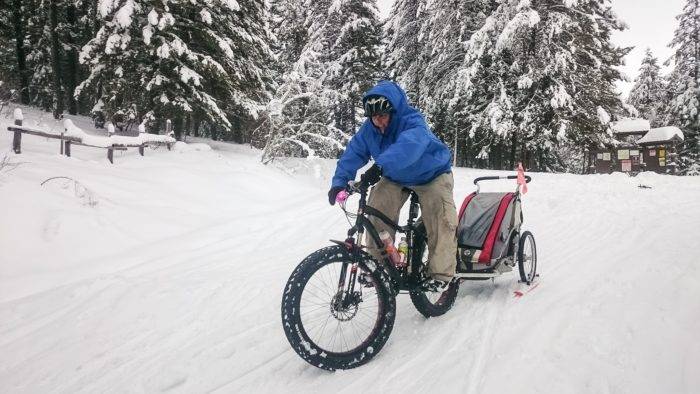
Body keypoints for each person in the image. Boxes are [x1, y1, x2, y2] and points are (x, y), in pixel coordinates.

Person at [327, 80, 458, 291]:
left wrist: (380, 166)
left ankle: (441, 274)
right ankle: (377, 267)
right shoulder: (369, 129)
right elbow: (354, 153)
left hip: (432, 174)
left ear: (393, 111)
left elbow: (410, 145)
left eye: (383, 116)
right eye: (374, 118)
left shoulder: (412, 120)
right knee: (377, 203)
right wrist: (339, 183)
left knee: (439, 215)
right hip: (396, 176)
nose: (379, 122)